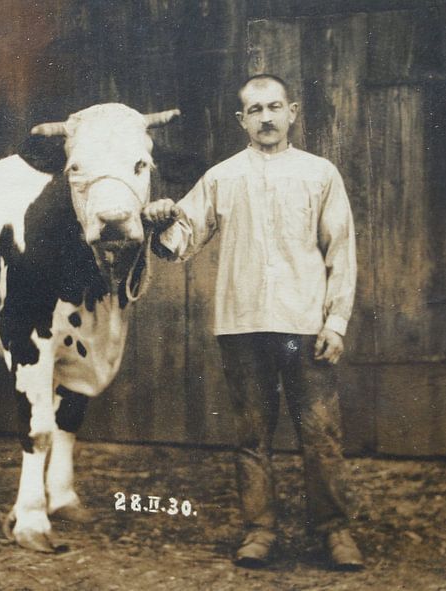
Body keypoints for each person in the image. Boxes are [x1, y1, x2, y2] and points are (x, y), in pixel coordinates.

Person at [144, 74, 364, 570]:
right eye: (255, 110)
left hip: (304, 323)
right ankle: (259, 530)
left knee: (321, 434)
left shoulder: (319, 174)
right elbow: (179, 241)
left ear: (292, 112)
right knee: (251, 437)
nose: (266, 118)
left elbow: (341, 251)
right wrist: (159, 221)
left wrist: (336, 321)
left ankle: (335, 531)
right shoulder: (222, 177)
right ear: (241, 120)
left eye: (274, 107)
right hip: (242, 326)